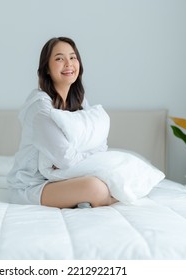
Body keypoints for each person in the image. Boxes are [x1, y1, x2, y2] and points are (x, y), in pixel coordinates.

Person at [7, 37, 117, 208]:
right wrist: (92, 159)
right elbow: (66, 159)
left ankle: (86, 196)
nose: (68, 63)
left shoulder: (80, 102)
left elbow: (99, 144)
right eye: (59, 58)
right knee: (96, 188)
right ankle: (102, 197)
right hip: (33, 186)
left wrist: (92, 157)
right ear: (47, 69)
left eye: (73, 57)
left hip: (66, 177)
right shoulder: (40, 108)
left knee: (119, 174)